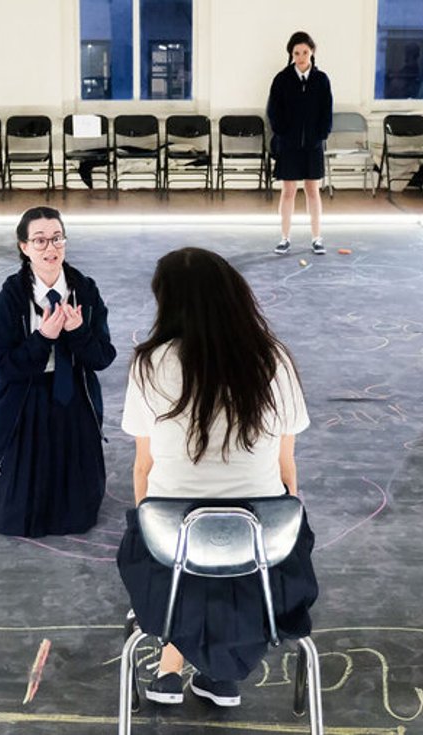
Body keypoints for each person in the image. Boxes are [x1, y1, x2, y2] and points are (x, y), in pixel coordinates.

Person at [117, 247, 317, 708]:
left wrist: (149, 528)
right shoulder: (273, 360)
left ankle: (172, 668)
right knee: (230, 558)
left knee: (181, 558)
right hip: (263, 541)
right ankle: (219, 674)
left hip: (172, 537)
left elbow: (144, 468)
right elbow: (287, 469)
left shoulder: (150, 363)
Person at [0, 206, 116, 537]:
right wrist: (42, 339)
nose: (50, 248)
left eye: (57, 238)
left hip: (74, 397)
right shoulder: (12, 296)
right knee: (16, 512)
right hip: (27, 399)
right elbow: (3, 366)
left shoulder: (85, 290)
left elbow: (102, 357)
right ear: (24, 247)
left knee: (77, 511)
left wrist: (79, 332)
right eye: (39, 240)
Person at [267, 31, 333, 256]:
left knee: (313, 190)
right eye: (297, 53)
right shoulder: (282, 79)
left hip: (313, 145)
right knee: (288, 191)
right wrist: (283, 133)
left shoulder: (321, 80)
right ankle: (284, 238)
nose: (301, 57)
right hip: (289, 145)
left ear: (312, 52)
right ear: (291, 54)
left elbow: (327, 111)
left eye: (305, 52)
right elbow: (273, 111)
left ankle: (316, 238)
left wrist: (321, 135)